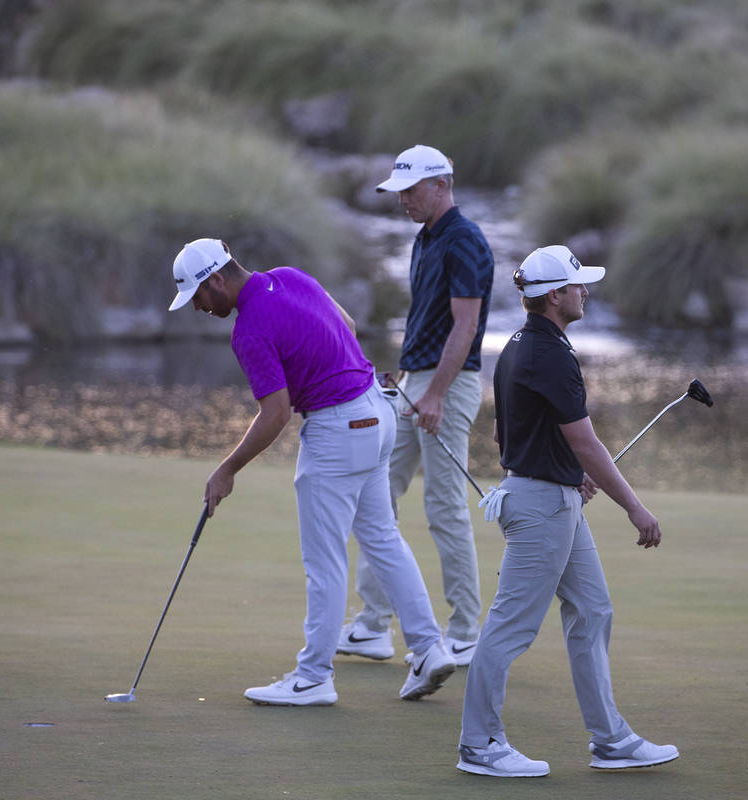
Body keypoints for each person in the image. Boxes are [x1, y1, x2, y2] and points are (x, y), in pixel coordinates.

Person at [166, 237, 456, 706]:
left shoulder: (248, 331)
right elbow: (347, 323)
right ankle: (428, 648)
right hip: (375, 413)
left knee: (325, 561)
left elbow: (276, 413)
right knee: (382, 538)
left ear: (216, 280)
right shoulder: (291, 277)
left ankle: (314, 677)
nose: (198, 307)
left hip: (337, 430)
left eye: (198, 296)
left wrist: (228, 468)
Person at [455, 245, 680, 777]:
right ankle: (479, 744)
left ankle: (611, 740)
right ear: (554, 295)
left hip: (545, 496)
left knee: (593, 609)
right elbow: (585, 443)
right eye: (578, 285)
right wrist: (635, 508)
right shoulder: (550, 353)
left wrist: (561, 471)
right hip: (541, 509)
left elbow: (506, 431)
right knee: (510, 627)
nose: (586, 292)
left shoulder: (519, 344)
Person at [338, 144, 493, 667]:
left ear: (441, 185)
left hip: (449, 384)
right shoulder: (425, 239)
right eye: (398, 191)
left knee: (445, 508)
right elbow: (428, 322)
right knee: (377, 494)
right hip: (415, 382)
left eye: (411, 189)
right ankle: (373, 625)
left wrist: (436, 393)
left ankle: (467, 631)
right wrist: (407, 378)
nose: (402, 199)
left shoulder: (465, 240)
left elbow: (466, 326)